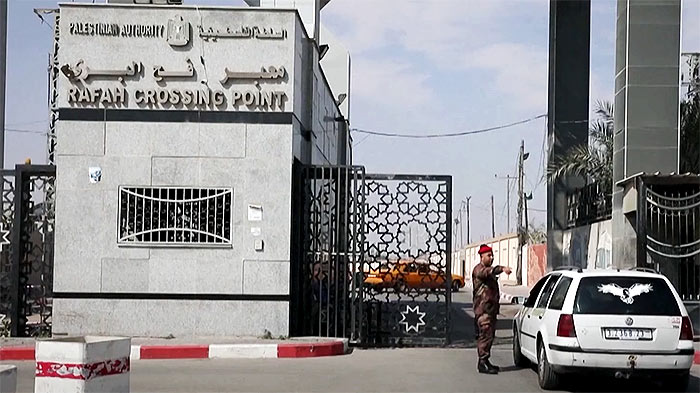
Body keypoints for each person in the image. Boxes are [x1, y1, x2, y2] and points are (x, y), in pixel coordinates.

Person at [472, 244, 511, 375]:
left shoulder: (487, 270)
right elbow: (489, 271)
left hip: (490, 310)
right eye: (489, 255)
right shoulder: (479, 270)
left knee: (489, 336)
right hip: (483, 311)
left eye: (492, 255)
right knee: (485, 336)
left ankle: (486, 360)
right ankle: (482, 363)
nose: (491, 257)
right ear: (482, 256)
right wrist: (502, 269)